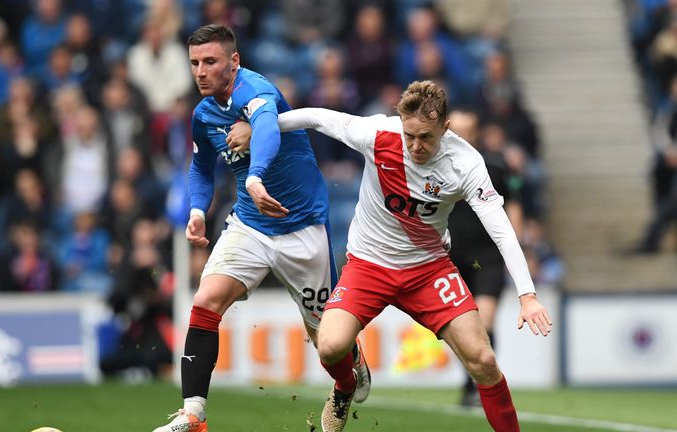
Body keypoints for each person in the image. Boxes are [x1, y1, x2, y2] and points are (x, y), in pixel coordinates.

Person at [229, 80, 551, 432]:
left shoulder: (466, 164)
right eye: (409, 135)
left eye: (426, 137)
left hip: (428, 270)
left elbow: (501, 229)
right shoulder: (378, 133)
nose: (415, 146)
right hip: (369, 266)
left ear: (446, 128)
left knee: (484, 360)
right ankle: (346, 386)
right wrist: (261, 126)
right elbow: (316, 118)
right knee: (331, 347)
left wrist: (528, 294)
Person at [151, 24, 370, 432]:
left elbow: (267, 127)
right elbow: (201, 167)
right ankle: (194, 414)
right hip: (250, 226)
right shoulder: (203, 114)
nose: (200, 71)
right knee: (206, 300)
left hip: (302, 229)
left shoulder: (257, 91)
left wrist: (254, 177)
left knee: (328, 346)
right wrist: (198, 210)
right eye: (195, 63)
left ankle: (346, 380)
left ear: (234, 62)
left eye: (210, 62)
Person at [445, 108, 523, 407]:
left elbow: (513, 206)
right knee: (462, 327)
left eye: (467, 129)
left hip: (487, 255)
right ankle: (471, 382)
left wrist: (517, 249)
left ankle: (478, 385)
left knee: (484, 319)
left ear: (476, 133)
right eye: (456, 129)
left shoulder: (495, 166)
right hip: (451, 258)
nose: (461, 135)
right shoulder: (435, 165)